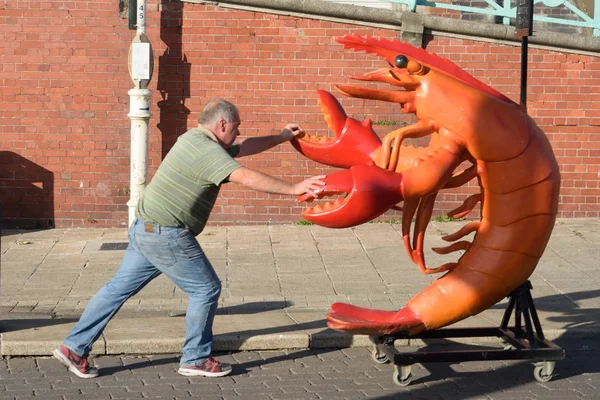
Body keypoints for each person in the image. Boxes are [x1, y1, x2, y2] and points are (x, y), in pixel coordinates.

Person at [53, 99, 326, 379]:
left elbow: (243, 148)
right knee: (205, 289)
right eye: (236, 127)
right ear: (222, 124)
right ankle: (195, 358)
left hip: (145, 228)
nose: (238, 132)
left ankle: (73, 347)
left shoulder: (194, 139)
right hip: (166, 233)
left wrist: (281, 138)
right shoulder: (207, 151)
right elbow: (244, 177)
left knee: (116, 291)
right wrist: (294, 188)